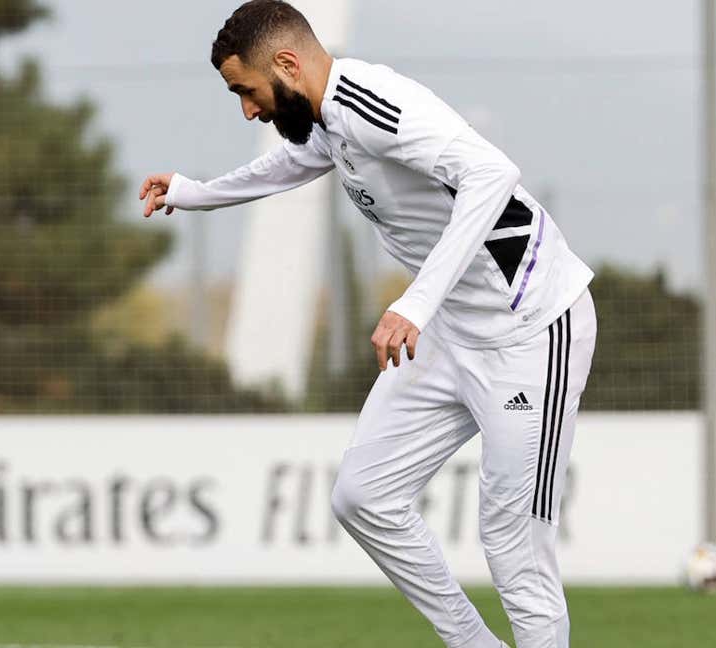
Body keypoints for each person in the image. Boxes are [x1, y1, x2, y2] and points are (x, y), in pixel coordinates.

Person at [139, 2, 595, 647]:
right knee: (363, 497)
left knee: (512, 540)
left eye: (247, 91)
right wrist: (195, 190)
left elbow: (492, 176)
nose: (248, 110)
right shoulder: (326, 118)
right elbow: (293, 163)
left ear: (289, 64)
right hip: (450, 332)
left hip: (530, 329)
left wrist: (414, 303)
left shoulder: (374, 101)